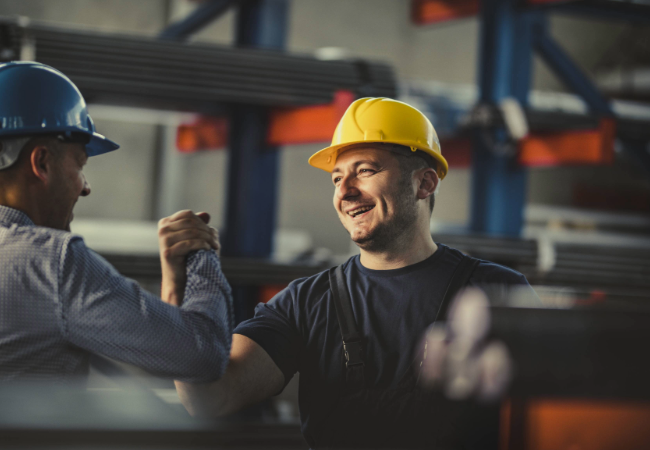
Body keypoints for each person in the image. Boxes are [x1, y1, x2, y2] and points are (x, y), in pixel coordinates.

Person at [172, 98, 535, 448]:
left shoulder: (498, 292)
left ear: (424, 183)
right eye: (336, 178)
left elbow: (551, 416)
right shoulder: (304, 303)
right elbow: (209, 398)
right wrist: (178, 285)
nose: (345, 192)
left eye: (365, 170)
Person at [0, 61, 233, 383]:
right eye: (80, 165)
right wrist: (200, 252)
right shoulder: (50, 262)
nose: (85, 186)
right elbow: (204, 354)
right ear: (41, 162)